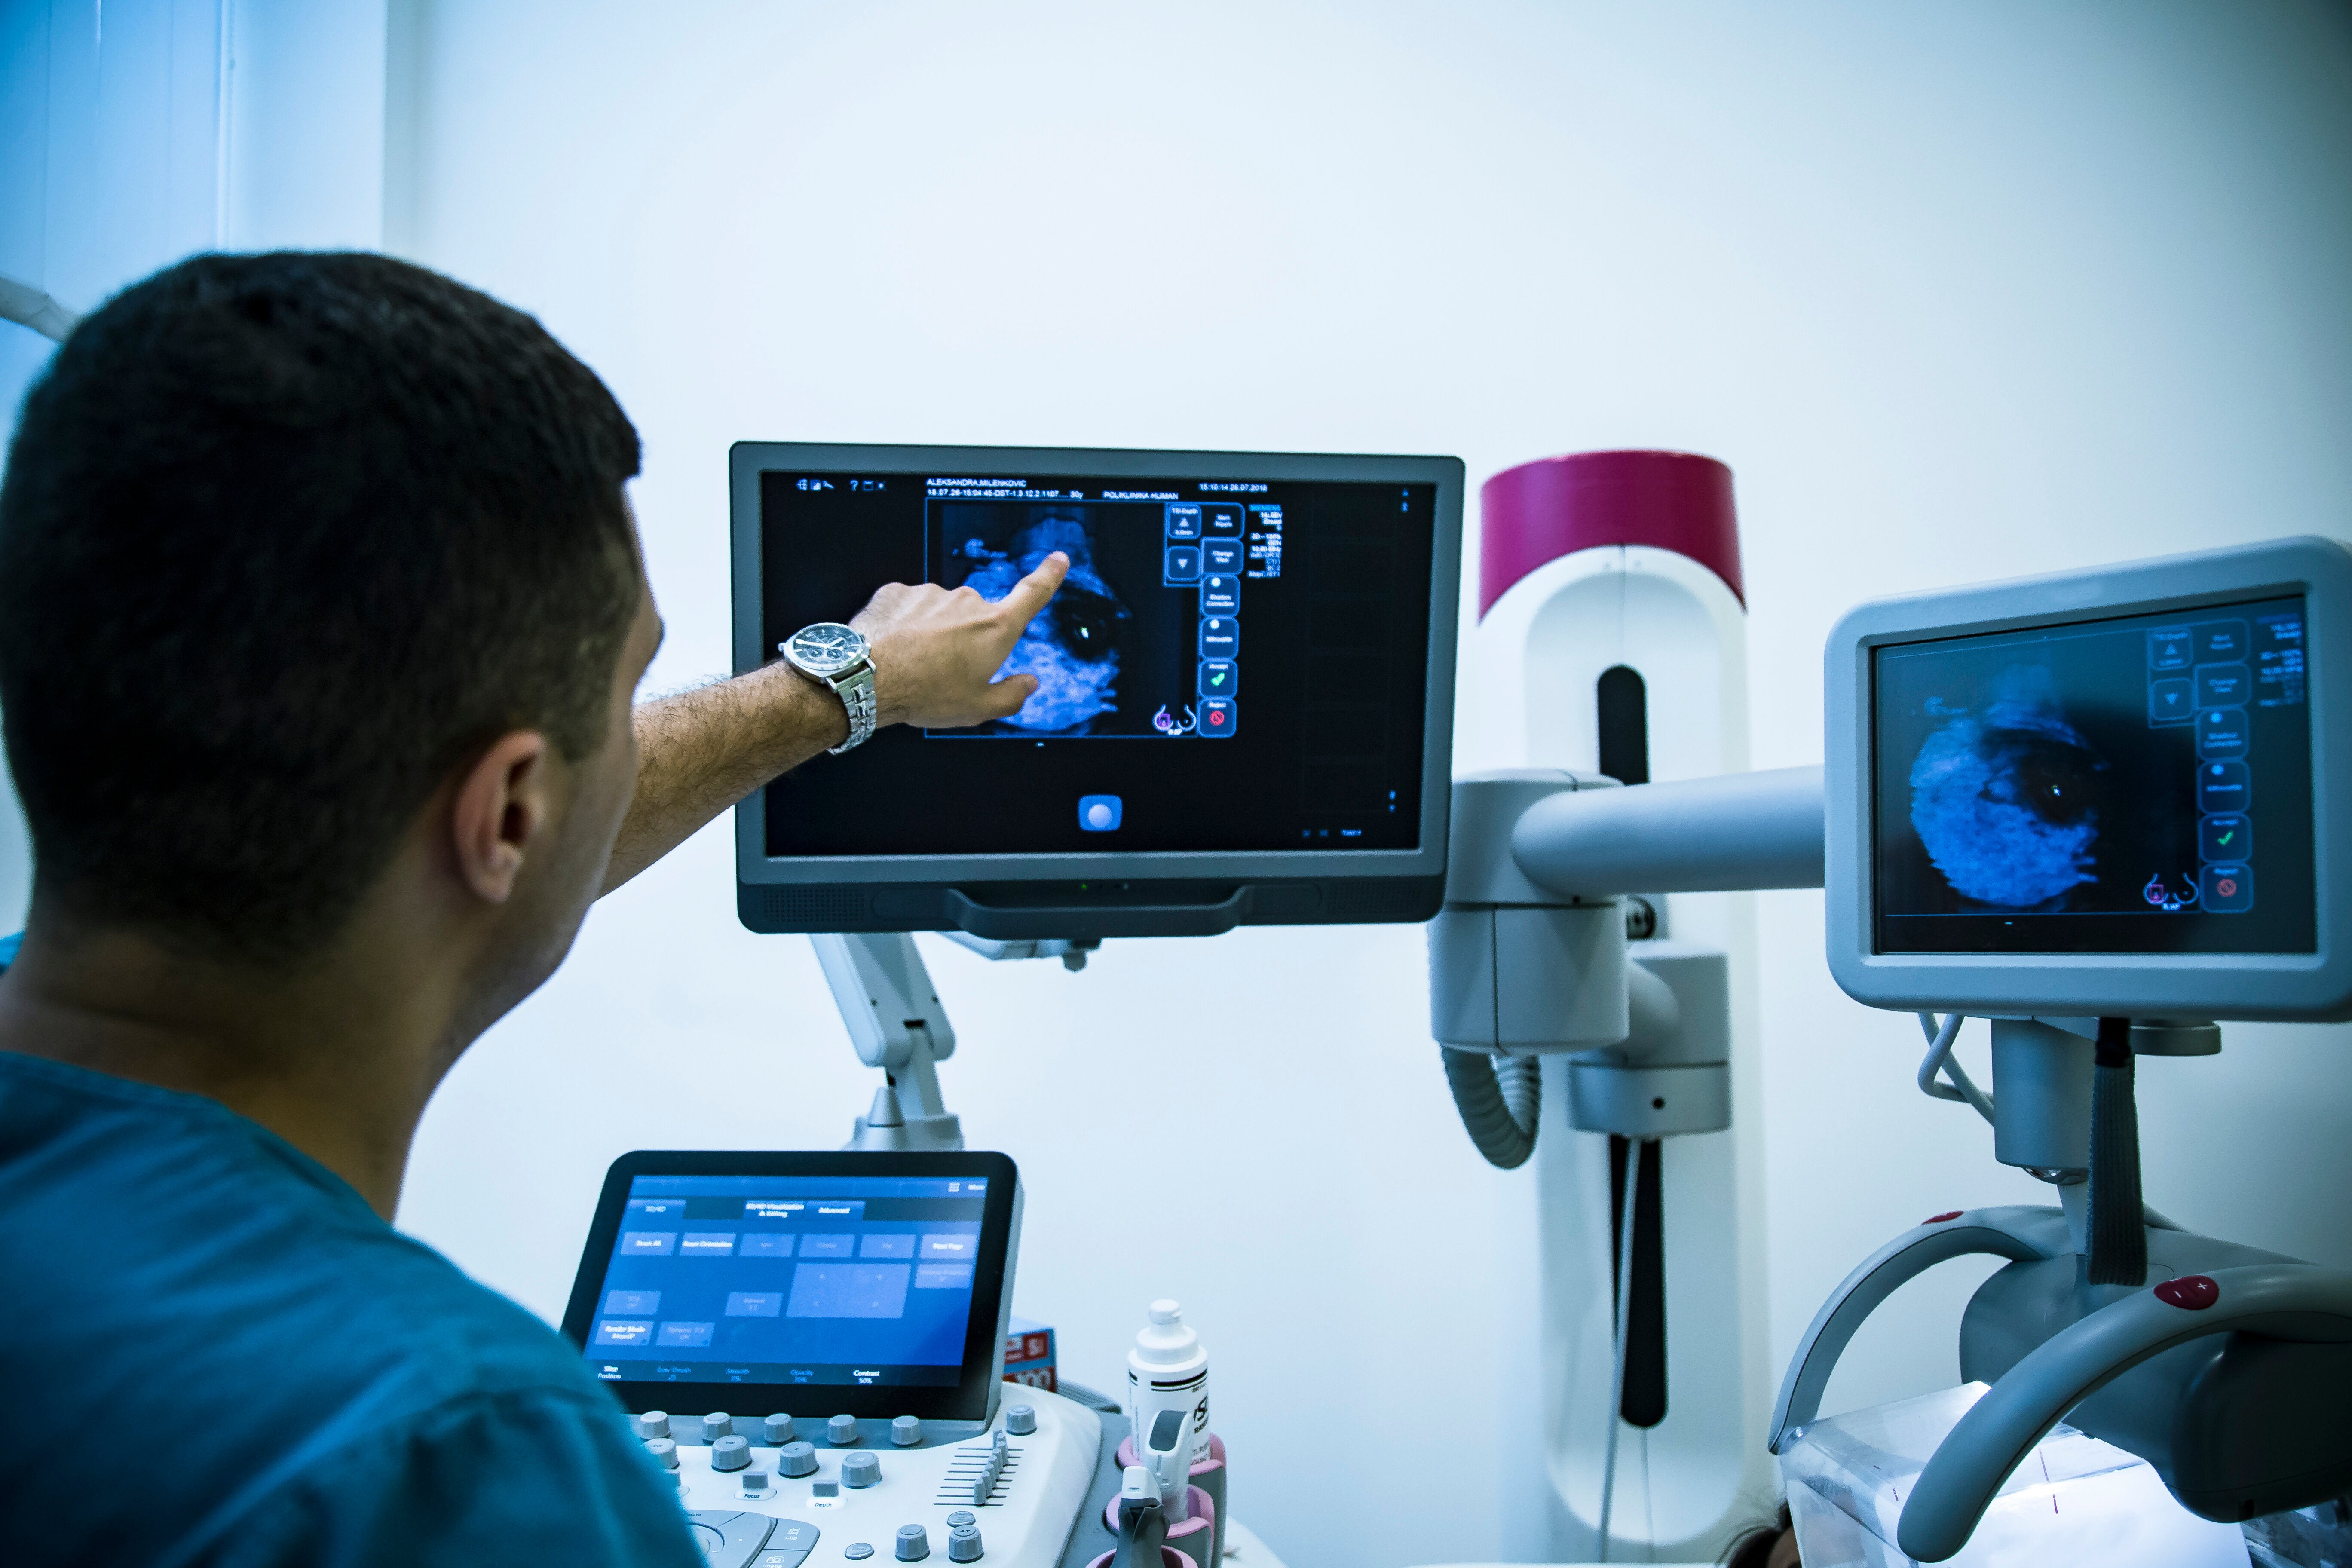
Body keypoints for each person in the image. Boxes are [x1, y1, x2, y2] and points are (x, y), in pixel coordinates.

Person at [0, 251, 1067, 1564]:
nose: (631, 739)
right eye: (628, 694)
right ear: (506, 815)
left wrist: (851, 683)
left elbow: (513, 811)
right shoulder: (454, 1461)